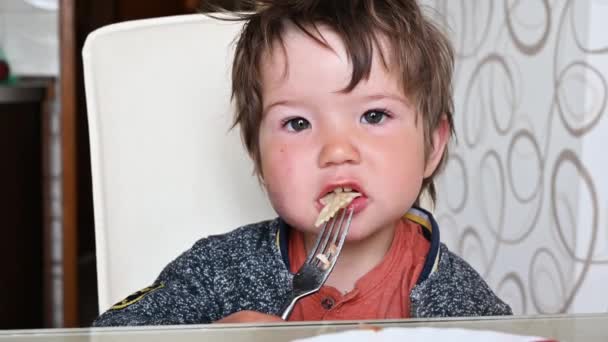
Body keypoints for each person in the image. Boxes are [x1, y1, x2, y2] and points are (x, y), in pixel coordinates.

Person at [94, 0, 512, 326]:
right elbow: (111, 332)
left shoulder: (458, 299)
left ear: (433, 146)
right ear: (256, 156)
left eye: (373, 116)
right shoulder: (220, 270)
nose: (337, 150)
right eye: (297, 123)